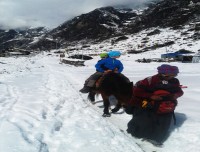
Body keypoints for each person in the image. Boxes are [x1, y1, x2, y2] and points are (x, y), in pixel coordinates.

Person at [126, 64, 184, 145]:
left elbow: (180, 91)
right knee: (143, 119)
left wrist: (176, 95)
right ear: (161, 73)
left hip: (165, 105)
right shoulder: (150, 80)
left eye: (173, 75)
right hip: (147, 103)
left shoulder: (175, 81)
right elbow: (137, 91)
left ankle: (157, 138)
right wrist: (151, 96)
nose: (171, 78)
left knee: (163, 122)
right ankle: (135, 132)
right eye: (168, 76)